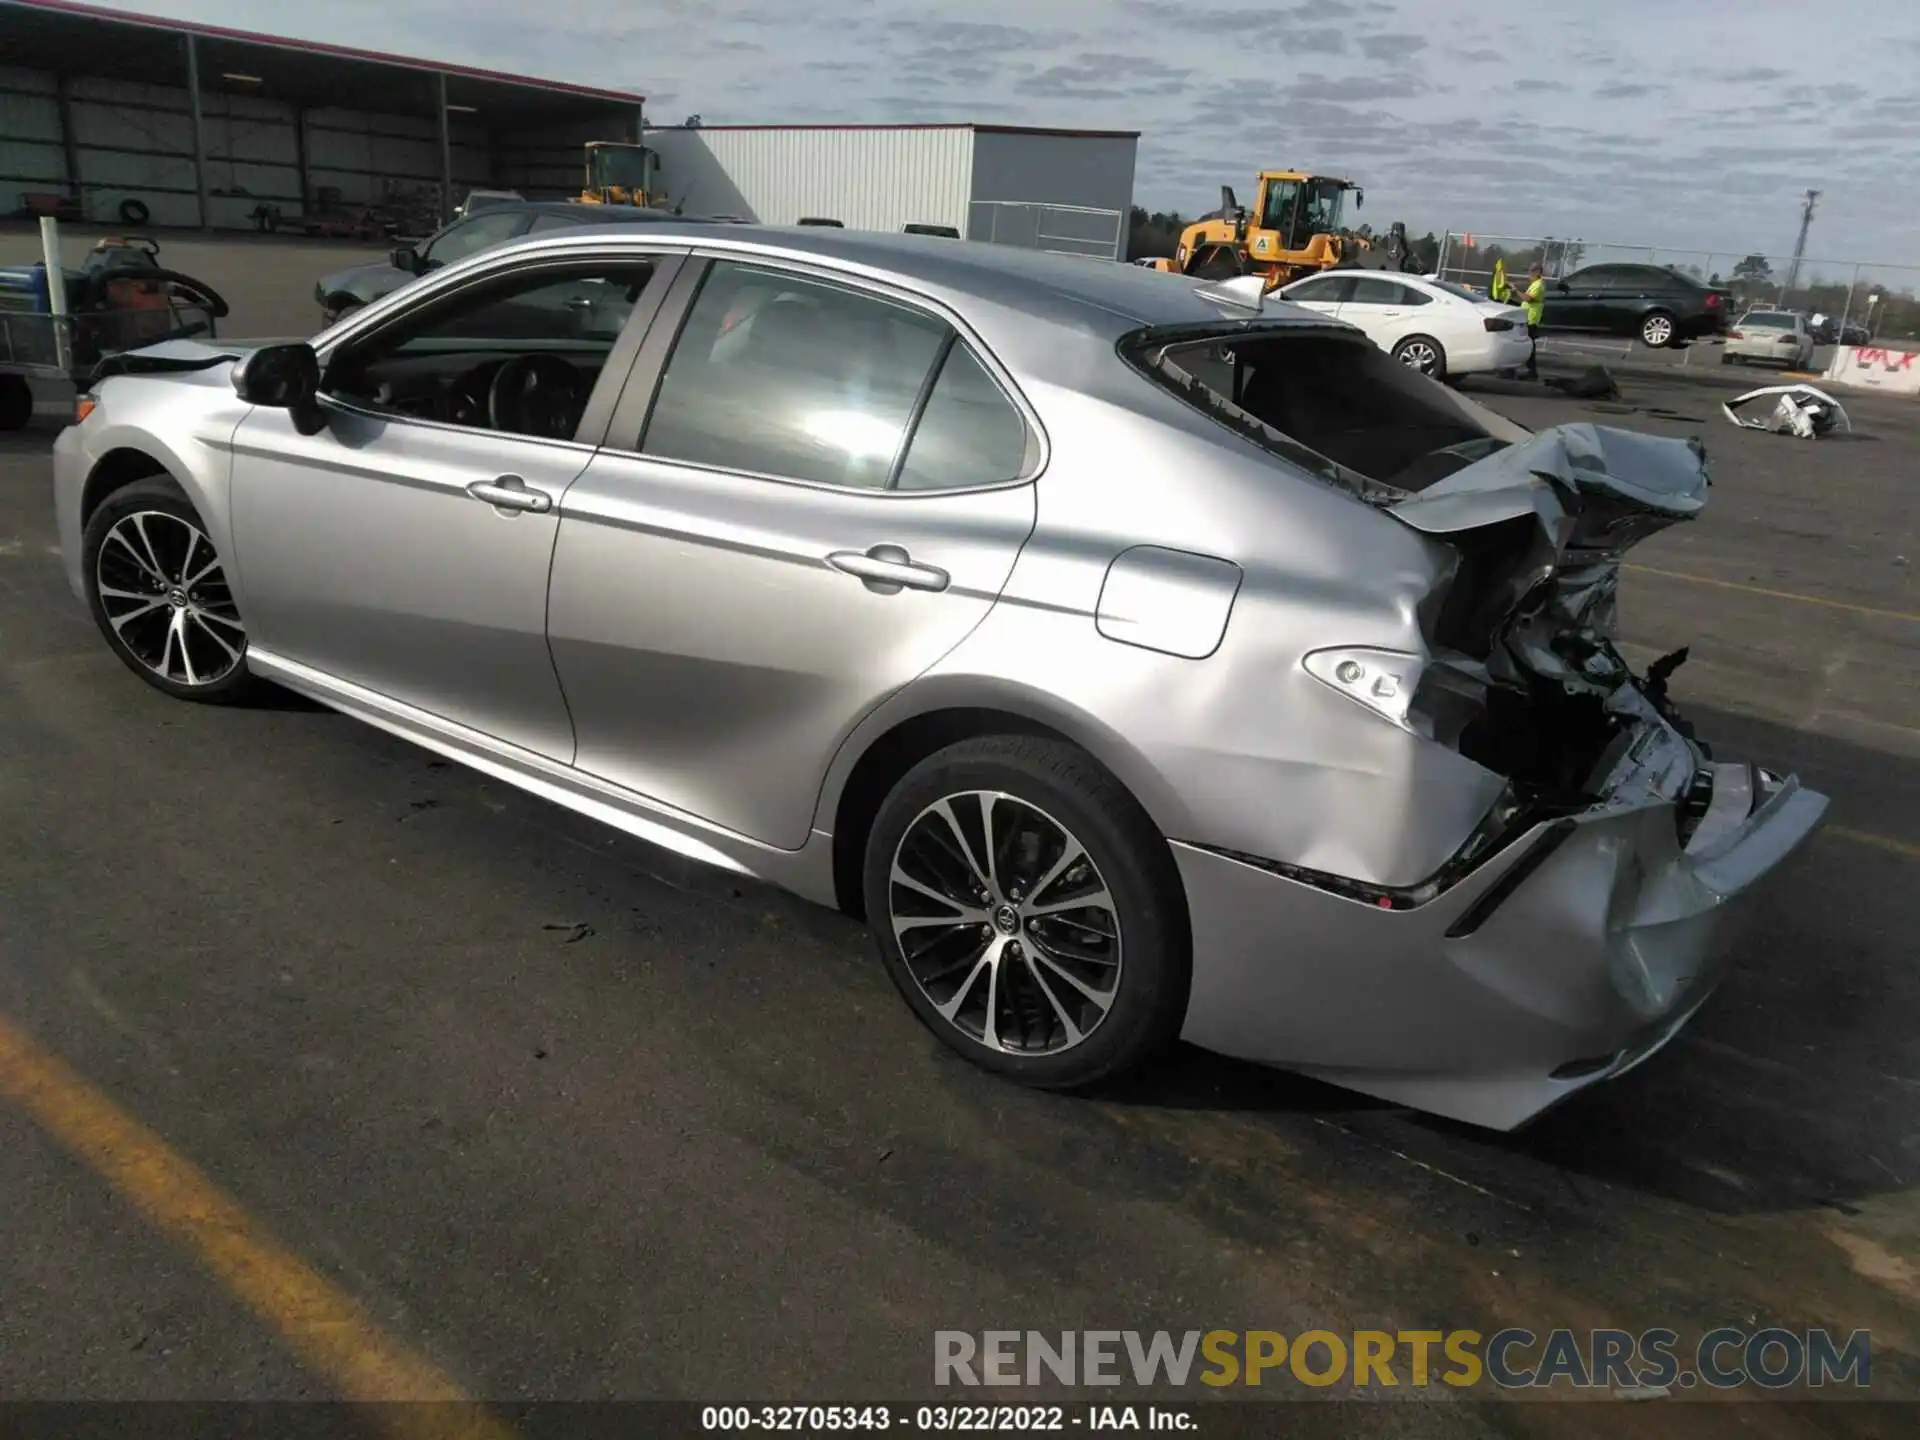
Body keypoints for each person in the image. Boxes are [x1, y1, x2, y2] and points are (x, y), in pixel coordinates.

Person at [1519, 262, 1546, 379]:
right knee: (1527, 344)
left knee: (1529, 345)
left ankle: (1532, 371)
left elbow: (1528, 298)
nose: (1528, 274)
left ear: (1537, 273)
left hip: (1531, 318)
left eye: (1531, 272)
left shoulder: (1538, 285)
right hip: (1528, 317)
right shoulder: (1535, 284)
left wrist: (1516, 291)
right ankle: (1530, 371)